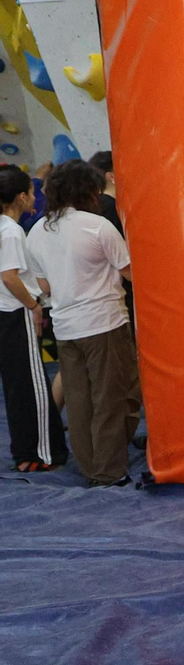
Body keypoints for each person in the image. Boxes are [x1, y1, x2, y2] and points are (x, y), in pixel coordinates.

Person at [25, 159, 140, 486]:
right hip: (104, 323)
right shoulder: (97, 226)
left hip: (65, 325)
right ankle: (109, 471)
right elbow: (130, 272)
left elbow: (43, 286)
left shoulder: (37, 231)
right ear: (88, 190)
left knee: (79, 400)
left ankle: (91, 467)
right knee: (111, 397)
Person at [0, 165, 66, 471]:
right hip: (17, 313)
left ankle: (25, 452)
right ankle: (41, 453)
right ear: (20, 197)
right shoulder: (12, 230)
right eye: (31, 190)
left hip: (5, 314)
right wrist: (32, 305)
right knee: (34, 385)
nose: (36, 196)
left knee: (17, 387)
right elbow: (9, 276)